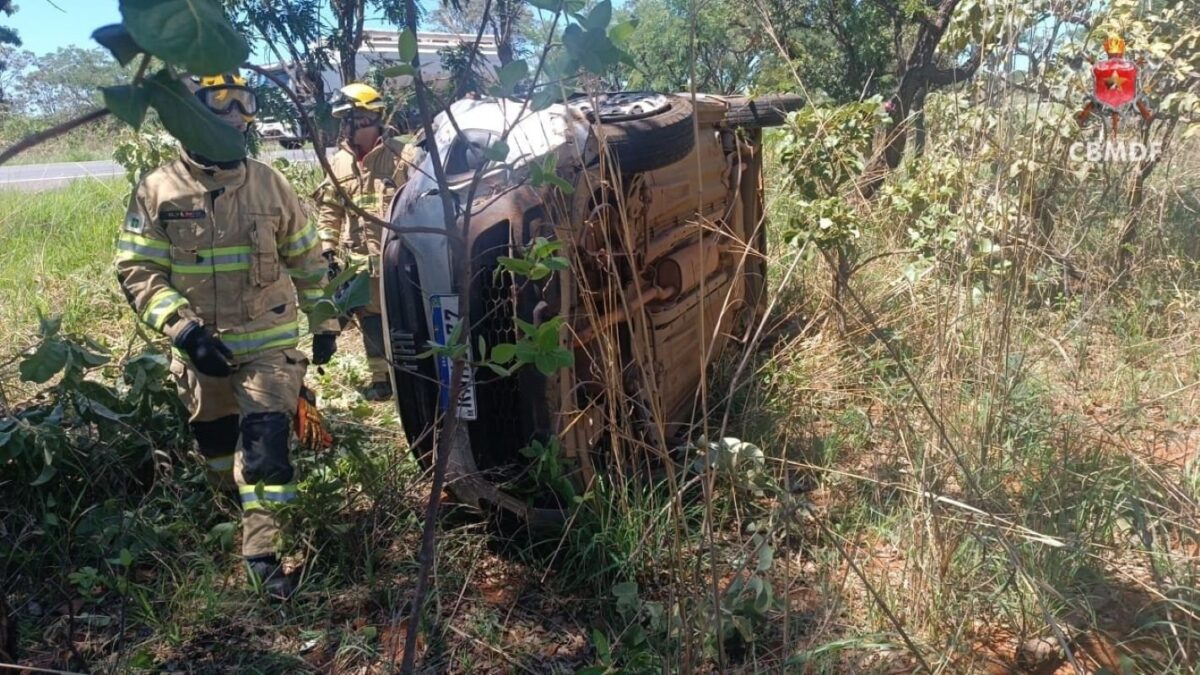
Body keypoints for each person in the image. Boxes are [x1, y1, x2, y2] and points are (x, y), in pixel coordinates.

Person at [114, 72, 340, 599]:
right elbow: (137, 269)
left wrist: (325, 322)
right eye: (222, 102)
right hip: (202, 350)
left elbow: (308, 258)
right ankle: (225, 504)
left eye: (246, 102)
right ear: (188, 113)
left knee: (266, 447)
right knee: (215, 443)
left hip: (268, 344)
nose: (239, 113)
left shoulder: (270, 184)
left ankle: (263, 556)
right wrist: (184, 331)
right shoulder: (157, 189)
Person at [315, 82, 418, 401]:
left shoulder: (404, 156)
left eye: (351, 119)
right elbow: (330, 210)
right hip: (359, 265)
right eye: (343, 120)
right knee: (369, 320)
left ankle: (412, 377)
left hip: (398, 263)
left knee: (405, 319)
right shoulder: (340, 163)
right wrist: (327, 250)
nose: (345, 127)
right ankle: (380, 380)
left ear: (372, 118)